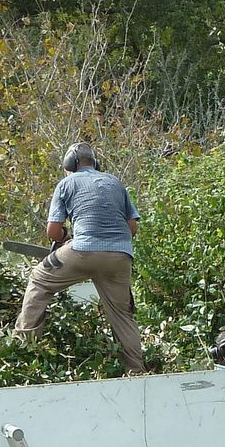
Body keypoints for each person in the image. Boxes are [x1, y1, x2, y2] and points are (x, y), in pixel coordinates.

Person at [14, 142, 146, 373]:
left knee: (39, 279)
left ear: (69, 164)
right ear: (95, 162)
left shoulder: (67, 183)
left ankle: (23, 348)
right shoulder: (115, 182)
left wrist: (66, 236)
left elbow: (53, 232)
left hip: (82, 250)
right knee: (122, 315)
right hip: (120, 256)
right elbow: (132, 228)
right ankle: (136, 371)